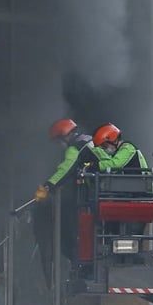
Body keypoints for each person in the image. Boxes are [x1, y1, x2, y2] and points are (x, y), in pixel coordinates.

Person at [32, 118, 105, 284]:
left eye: (58, 142)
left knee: (72, 236)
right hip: (103, 191)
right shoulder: (90, 141)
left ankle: (85, 268)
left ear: (63, 136)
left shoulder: (76, 147)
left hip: (98, 194)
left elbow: (66, 168)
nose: (59, 146)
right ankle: (87, 266)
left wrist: (48, 186)